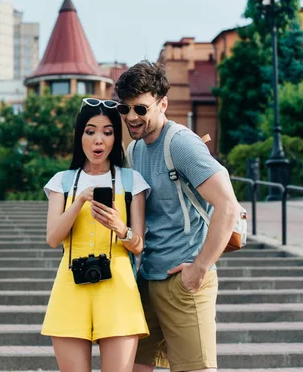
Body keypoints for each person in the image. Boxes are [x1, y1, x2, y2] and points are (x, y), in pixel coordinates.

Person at [114, 60, 241, 372]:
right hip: (147, 279)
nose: (131, 117)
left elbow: (228, 206)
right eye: (124, 109)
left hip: (183, 284)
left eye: (140, 109)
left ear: (163, 104)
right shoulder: (135, 150)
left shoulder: (181, 144)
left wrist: (199, 269)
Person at [42, 98, 151, 372]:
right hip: (71, 285)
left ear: (116, 136)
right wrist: (78, 201)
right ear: (80, 136)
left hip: (118, 289)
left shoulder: (131, 181)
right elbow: (53, 238)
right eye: (90, 131)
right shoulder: (62, 181)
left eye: (107, 131)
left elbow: (138, 246)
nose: (98, 140)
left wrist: (119, 227)